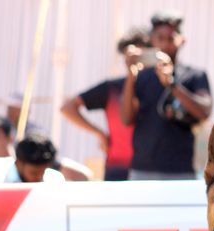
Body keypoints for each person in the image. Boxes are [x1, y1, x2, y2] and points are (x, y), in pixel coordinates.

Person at [120, 11, 212, 180]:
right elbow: (126, 119)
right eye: (160, 38)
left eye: (170, 39)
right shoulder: (142, 76)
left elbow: (204, 112)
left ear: (182, 40)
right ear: (151, 39)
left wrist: (172, 84)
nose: (165, 44)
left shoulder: (194, 76)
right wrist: (130, 76)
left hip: (180, 171)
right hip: (142, 171)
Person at [60, 27, 149, 181]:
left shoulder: (161, 86)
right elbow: (67, 108)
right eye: (130, 56)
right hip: (118, 168)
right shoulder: (112, 88)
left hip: (151, 168)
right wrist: (99, 133)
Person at [0, 134, 64, 184]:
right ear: (18, 163)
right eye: (34, 172)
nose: (39, 177)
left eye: (43, 172)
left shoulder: (54, 180)